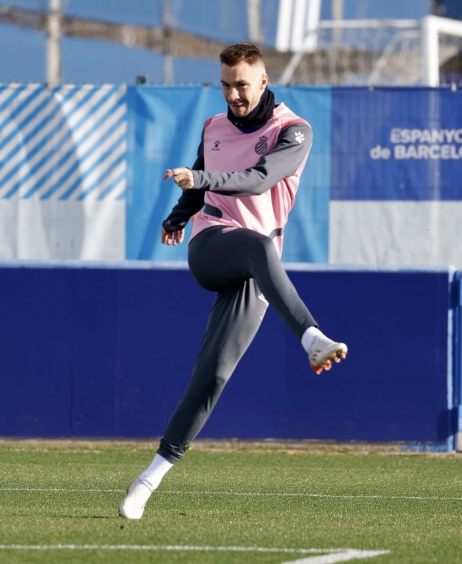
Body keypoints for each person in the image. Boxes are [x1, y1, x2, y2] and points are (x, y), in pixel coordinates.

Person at [118, 42, 348, 520]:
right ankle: (311, 336)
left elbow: (259, 179)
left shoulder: (295, 131)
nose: (233, 95)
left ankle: (147, 480)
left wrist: (200, 179)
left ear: (263, 81)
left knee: (215, 373)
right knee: (257, 245)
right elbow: (201, 186)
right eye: (225, 84)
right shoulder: (214, 126)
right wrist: (179, 215)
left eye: (241, 84)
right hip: (213, 247)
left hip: (256, 267)